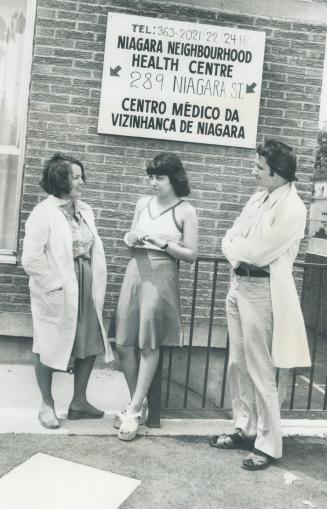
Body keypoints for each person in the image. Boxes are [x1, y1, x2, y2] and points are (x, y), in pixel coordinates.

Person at [209, 140, 311, 470]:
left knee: (260, 367)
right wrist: (236, 246)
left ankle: (269, 444)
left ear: (278, 173)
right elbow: (231, 236)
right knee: (238, 362)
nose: (253, 172)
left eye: (259, 168)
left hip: (262, 290)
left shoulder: (293, 208)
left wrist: (236, 247)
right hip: (238, 285)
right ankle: (245, 427)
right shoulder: (258, 198)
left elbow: (259, 252)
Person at [22, 153, 113, 429]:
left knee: (89, 341)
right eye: (75, 177)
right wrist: (53, 285)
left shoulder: (85, 210)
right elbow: (30, 258)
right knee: (48, 343)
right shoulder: (43, 213)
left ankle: (79, 402)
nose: (82, 181)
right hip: (58, 286)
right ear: (59, 180)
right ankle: (46, 404)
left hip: (85, 284)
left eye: (81, 176)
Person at [114, 152, 198, 441]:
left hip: (162, 275)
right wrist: (130, 238)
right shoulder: (142, 204)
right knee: (124, 342)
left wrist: (163, 243)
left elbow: (191, 255)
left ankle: (134, 410)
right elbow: (132, 237)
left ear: (174, 178)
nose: (153, 183)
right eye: (150, 176)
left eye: (159, 177)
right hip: (135, 269)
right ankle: (136, 401)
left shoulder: (185, 210)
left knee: (148, 343)